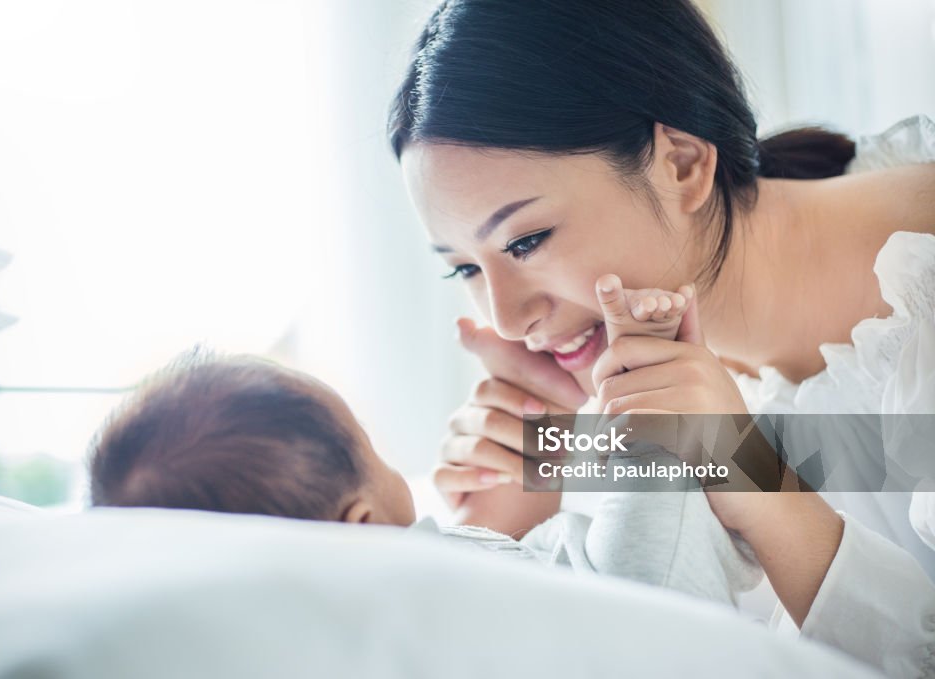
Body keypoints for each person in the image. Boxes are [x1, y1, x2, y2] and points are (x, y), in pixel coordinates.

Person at [386, 0, 935, 676]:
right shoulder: (647, 390)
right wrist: (530, 523)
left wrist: (758, 483)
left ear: (681, 164)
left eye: (526, 240)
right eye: (466, 267)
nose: (506, 318)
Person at [87, 350, 760, 608]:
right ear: (362, 528)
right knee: (651, 456)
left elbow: (539, 558)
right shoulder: (422, 579)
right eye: (372, 447)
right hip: (646, 619)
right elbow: (604, 583)